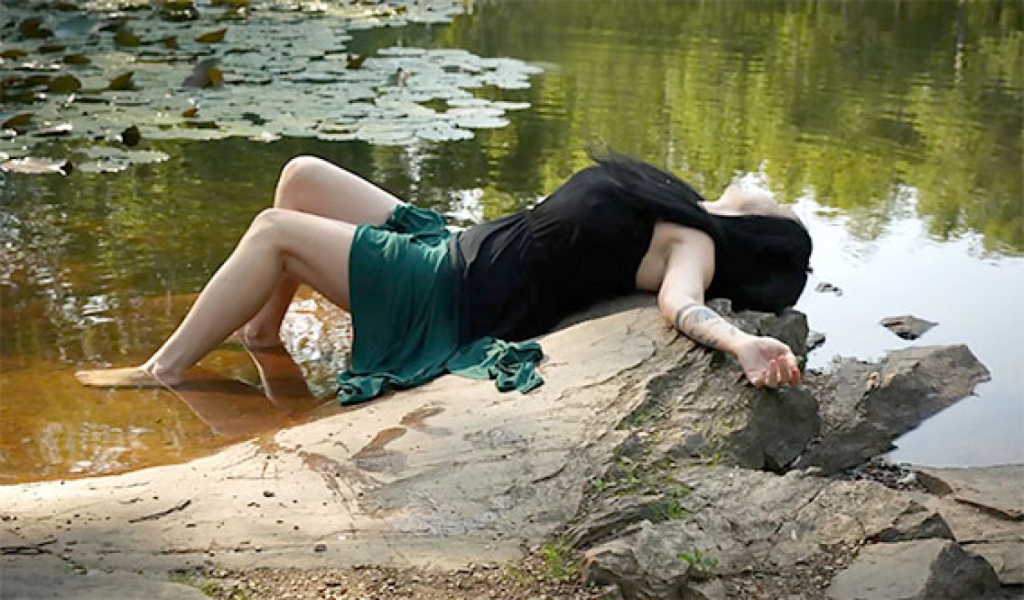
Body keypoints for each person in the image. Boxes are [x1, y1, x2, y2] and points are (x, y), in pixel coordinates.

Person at [76, 151, 812, 404]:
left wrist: (741, 343)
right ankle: (261, 336)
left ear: (762, 234)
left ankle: (162, 370)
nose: (772, 192)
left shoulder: (692, 244)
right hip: (456, 244)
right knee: (300, 178)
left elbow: (681, 305)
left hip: (449, 292)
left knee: (274, 232)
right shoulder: (678, 199)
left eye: (781, 208)